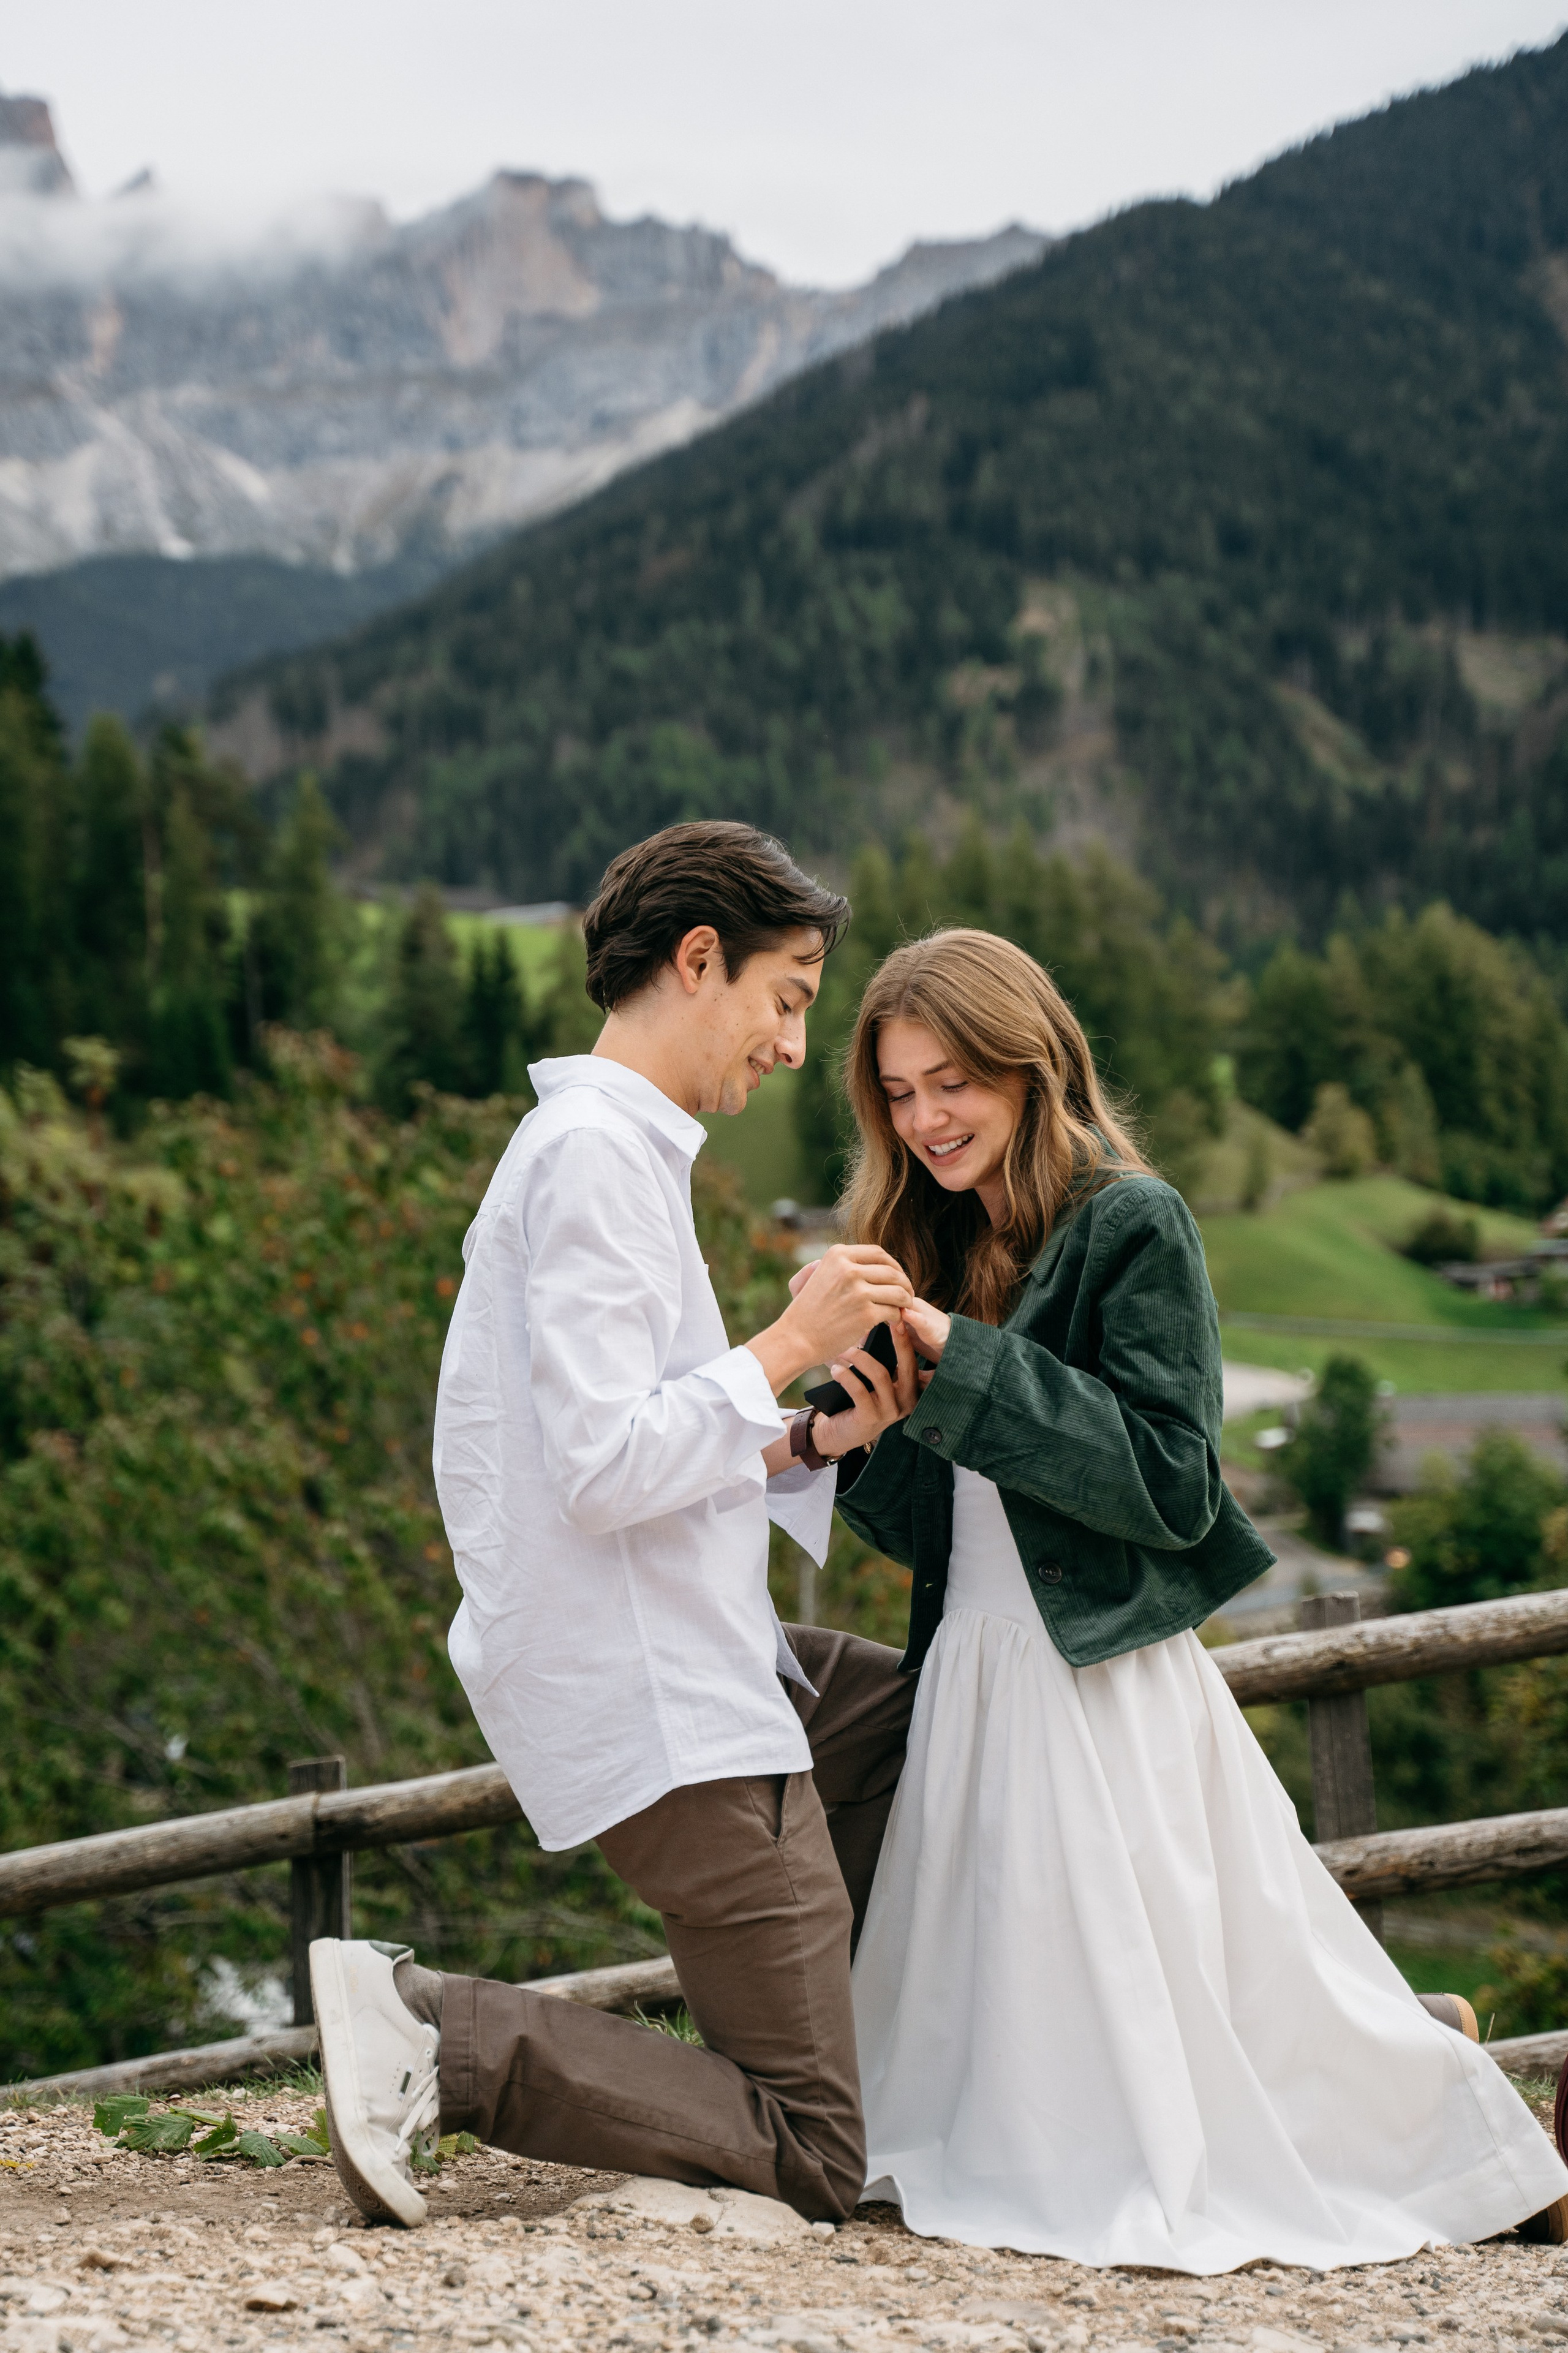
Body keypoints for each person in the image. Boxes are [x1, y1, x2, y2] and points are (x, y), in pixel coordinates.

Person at [826, 926, 1568, 2270]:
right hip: (971, 1676)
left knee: (1209, 2008)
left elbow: (1170, 1479)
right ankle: (1427, 2048)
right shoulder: (932, 1241)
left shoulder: (1133, 1221)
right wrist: (861, 1428)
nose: (924, 1117)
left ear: (1027, 1063)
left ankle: (1437, 2107)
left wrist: (967, 1362)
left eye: (952, 1081)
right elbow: (943, 1518)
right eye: (896, 1091)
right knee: (1026, 2036)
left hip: (1101, 1681)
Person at [308, 820, 924, 2229]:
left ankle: (885, 2040)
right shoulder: (590, 1156)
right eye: (785, 997)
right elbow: (599, 1467)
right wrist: (782, 1341)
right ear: (697, 960)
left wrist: (814, 1430)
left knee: (923, 1720)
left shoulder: (618, 1153)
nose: (788, 1045)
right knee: (817, 2158)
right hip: (667, 1696)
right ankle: (435, 2033)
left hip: (694, 1646)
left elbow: (644, 1439)